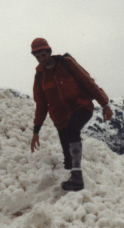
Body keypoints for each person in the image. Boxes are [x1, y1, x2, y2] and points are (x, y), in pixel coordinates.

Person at [30, 38, 113, 191]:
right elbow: (41, 105)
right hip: (60, 119)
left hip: (81, 107)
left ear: (49, 51)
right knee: (68, 161)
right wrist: (36, 130)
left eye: (43, 54)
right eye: (38, 56)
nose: (42, 59)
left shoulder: (66, 63)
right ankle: (72, 178)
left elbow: (88, 82)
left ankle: (77, 179)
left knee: (72, 129)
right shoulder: (40, 77)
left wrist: (105, 104)